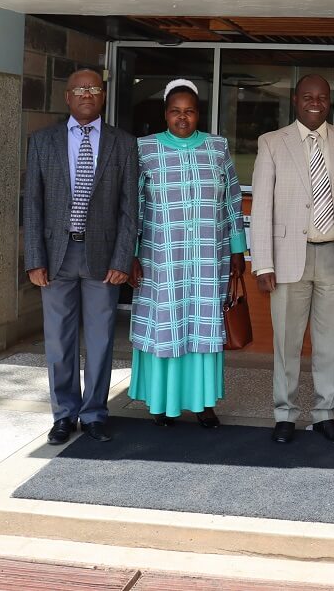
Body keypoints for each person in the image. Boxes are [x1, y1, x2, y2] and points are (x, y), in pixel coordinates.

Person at [250, 74, 334, 444]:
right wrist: (263, 263)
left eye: (322, 97)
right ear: (295, 99)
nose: (315, 103)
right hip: (289, 259)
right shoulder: (272, 143)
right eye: (308, 96)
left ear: (330, 101)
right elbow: (261, 209)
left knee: (330, 341)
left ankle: (324, 414)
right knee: (286, 343)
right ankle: (284, 415)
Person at [24, 69, 138, 445]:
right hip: (57, 256)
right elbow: (34, 204)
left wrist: (123, 258)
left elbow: (129, 207)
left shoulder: (123, 143)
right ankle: (64, 414)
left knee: (102, 340)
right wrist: (34, 258)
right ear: (67, 98)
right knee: (58, 342)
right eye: (79, 90)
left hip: (103, 258)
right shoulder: (43, 142)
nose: (87, 94)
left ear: (103, 96)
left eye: (94, 89)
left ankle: (94, 413)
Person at [127, 79, 246, 430]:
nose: (183, 118)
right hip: (160, 259)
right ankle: (162, 404)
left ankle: (203, 404)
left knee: (202, 325)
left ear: (199, 115)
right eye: (176, 111)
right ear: (165, 114)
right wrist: (130, 255)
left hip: (209, 259)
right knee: (167, 326)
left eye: (190, 111)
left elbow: (232, 201)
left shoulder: (217, 147)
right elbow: (134, 206)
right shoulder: (144, 149)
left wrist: (238, 249)